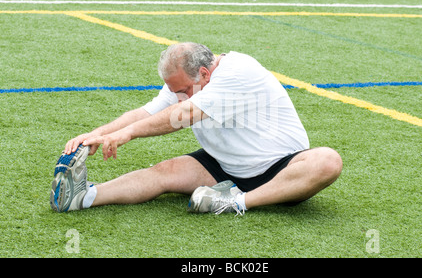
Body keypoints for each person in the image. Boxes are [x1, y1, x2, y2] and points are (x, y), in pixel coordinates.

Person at [50, 42, 342, 215]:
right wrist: (100, 133)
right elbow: (147, 111)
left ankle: (236, 202)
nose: (178, 95)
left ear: (204, 73)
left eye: (183, 90)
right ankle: (85, 197)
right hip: (225, 165)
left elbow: (183, 115)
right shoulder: (186, 82)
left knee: (328, 160)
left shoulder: (239, 71)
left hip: (280, 168)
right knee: (163, 171)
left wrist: (129, 134)